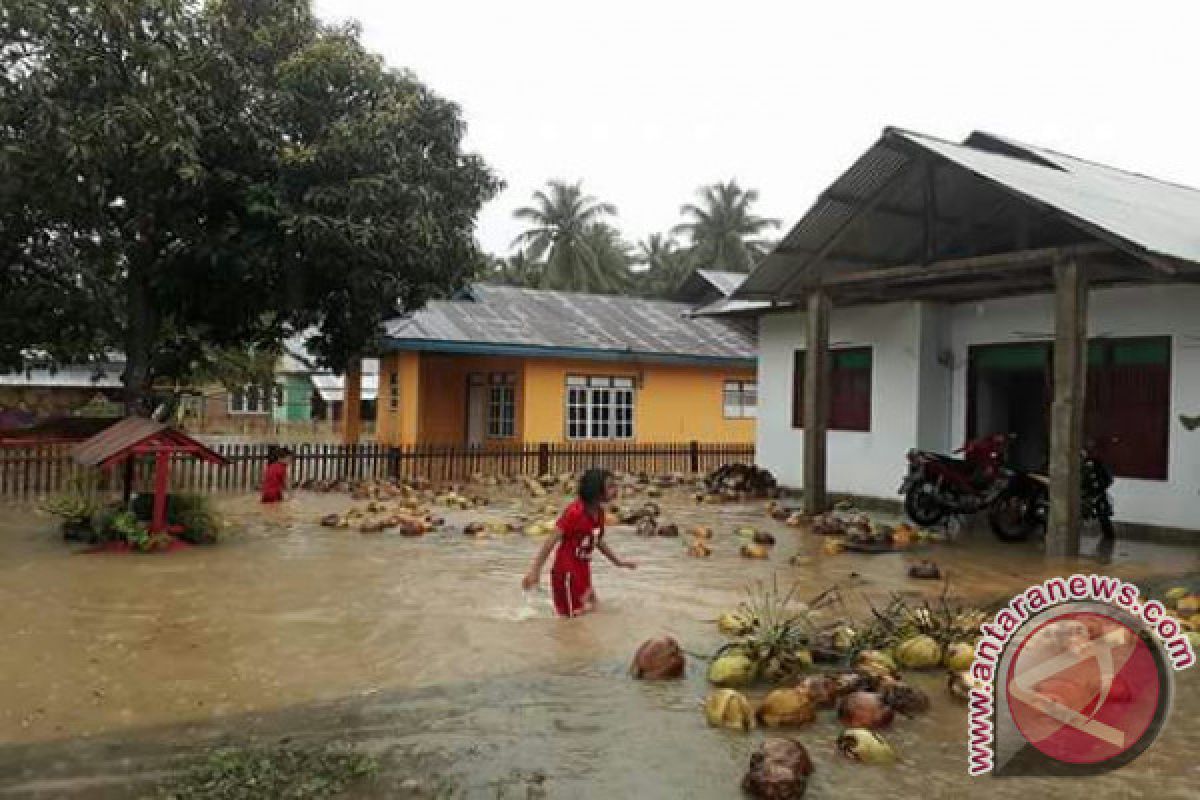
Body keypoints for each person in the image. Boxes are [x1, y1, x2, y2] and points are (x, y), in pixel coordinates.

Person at [521, 468, 637, 617]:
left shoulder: (599, 513)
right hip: (567, 574)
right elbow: (551, 541)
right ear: (596, 490)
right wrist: (535, 571)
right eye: (610, 486)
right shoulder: (575, 512)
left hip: (583, 570)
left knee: (594, 609)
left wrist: (618, 562)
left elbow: (597, 540)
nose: (616, 490)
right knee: (571, 620)